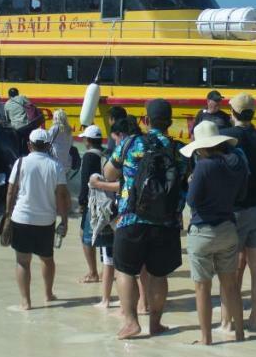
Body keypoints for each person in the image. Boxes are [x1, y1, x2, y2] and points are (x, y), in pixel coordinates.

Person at [104, 98, 185, 339]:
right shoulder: (179, 149)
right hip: (167, 222)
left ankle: (131, 322)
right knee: (159, 275)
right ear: (170, 122)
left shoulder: (130, 143)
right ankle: (156, 323)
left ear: (146, 120)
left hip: (131, 219)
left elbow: (109, 172)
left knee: (125, 271)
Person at [181, 121, 249, 344]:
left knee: (202, 287)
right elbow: (240, 195)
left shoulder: (203, 166)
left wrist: (191, 182)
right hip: (228, 228)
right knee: (230, 286)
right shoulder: (235, 165)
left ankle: (206, 338)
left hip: (203, 231)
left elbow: (192, 200)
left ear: (200, 147)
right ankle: (239, 333)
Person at [3, 128, 71, 311]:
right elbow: (62, 195)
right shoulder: (55, 165)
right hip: (46, 221)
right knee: (47, 259)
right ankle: (48, 294)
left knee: (23, 262)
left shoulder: (20, 163)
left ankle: (26, 302)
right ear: (48, 145)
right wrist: (64, 220)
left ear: (29, 145)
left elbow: (11, 191)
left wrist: (7, 214)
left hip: (21, 218)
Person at [223, 93, 256, 331]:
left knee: (230, 270)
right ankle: (254, 317)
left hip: (232, 211)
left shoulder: (224, 137)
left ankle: (228, 321)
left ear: (232, 112)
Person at [87, 118, 139, 309]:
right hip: (143, 215)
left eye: (116, 139)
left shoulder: (123, 153)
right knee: (138, 267)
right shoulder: (146, 148)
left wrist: (98, 184)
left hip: (119, 217)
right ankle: (142, 304)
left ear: (121, 135)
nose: (115, 143)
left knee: (112, 263)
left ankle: (108, 301)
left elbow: (121, 184)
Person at [76, 125, 108, 285]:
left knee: (85, 236)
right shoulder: (106, 153)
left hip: (93, 201)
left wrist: (81, 201)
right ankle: (106, 270)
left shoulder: (88, 156)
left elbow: (85, 180)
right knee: (104, 235)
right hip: (107, 201)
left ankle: (93, 272)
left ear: (88, 141)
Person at [48, 109, 74, 176]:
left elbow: (47, 140)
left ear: (56, 118)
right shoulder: (69, 129)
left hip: (55, 161)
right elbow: (71, 144)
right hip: (66, 162)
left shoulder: (54, 128)